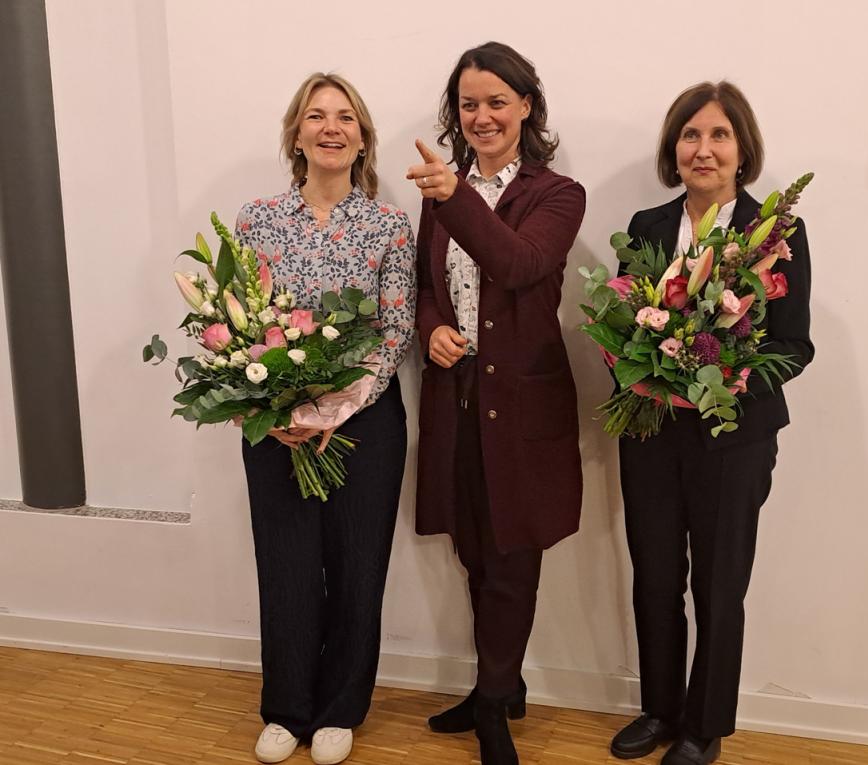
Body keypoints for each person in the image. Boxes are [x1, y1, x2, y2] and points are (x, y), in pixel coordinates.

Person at [609, 81, 813, 765]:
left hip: (734, 437)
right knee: (655, 576)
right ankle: (659, 710)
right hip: (651, 431)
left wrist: (731, 380)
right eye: (690, 135)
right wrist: (640, 370)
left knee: (719, 586)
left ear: (741, 149)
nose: (704, 149)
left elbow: (795, 345)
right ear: (674, 149)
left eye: (719, 135)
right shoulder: (646, 226)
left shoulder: (775, 233)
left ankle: (705, 725)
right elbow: (622, 324)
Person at [407, 41, 585, 765]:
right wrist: (432, 329)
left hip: (524, 408)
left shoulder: (557, 194)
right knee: (475, 551)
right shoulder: (440, 192)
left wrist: (455, 197)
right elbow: (427, 285)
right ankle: (500, 686)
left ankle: (492, 704)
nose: (481, 116)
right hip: (456, 400)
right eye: (468, 104)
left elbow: (518, 264)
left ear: (526, 107)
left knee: (513, 557)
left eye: (496, 102)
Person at [234, 72, 416, 765]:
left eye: (345, 117)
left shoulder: (388, 225)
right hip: (276, 421)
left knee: (356, 567)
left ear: (362, 138)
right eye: (316, 116)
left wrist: (336, 408)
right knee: (285, 565)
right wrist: (269, 407)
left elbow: (395, 330)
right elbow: (238, 321)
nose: (331, 127)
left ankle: (341, 708)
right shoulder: (256, 220)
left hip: (364, 424)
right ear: (296, 134)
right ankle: (286, 708)